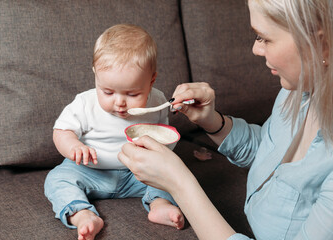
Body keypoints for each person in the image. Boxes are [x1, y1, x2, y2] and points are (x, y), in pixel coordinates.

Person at [118, 0, 333, 239]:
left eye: (265, 38)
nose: (256, 49)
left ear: (321, 45)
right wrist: (212, 121)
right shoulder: (298, 89)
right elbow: (269, 150)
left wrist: (180, 184)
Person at [44, 24, 184, 240]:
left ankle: (159, 204)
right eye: (107, 91)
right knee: (56, 179)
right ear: (96, 77)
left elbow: (162, 137)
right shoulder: (85, 103)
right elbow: (61, 131)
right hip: (91, 171)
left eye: (132, 93)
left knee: (174, 176)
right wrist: (74, 146)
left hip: (136, 174)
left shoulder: (157, 101)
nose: (119, 103)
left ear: (151, 81)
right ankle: (83, 215)